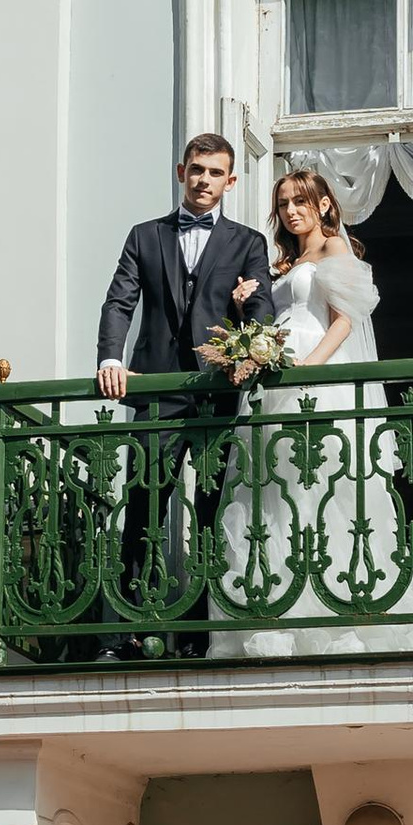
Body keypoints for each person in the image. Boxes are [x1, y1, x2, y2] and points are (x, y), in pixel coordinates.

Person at [211, 165, 413, 659]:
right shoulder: (284, 263)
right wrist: (247, 304)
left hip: (316, 375)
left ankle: (342, 615)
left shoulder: (335, 248)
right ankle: (279, 616)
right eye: (283, 204)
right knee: (276, 495)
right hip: (278, 379)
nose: (290, 211)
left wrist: (309, 367)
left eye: (300, 201)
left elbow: (345, 321)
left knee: (325, 490)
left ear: (323, 205)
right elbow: (276, 318)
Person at [93, 134, 277, 649]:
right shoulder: (144, 235)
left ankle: (202, 632)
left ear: (230, 181)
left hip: (217, 392)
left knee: (213, 508)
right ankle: (135, 631)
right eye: (197, 169)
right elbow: (119, 301)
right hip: (157, 390)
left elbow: (263, 311)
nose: (204, 180)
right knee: (144, 503)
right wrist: (111, 358)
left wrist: (248, 317)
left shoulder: (248, 243)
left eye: (215, 173)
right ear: (181, 172)